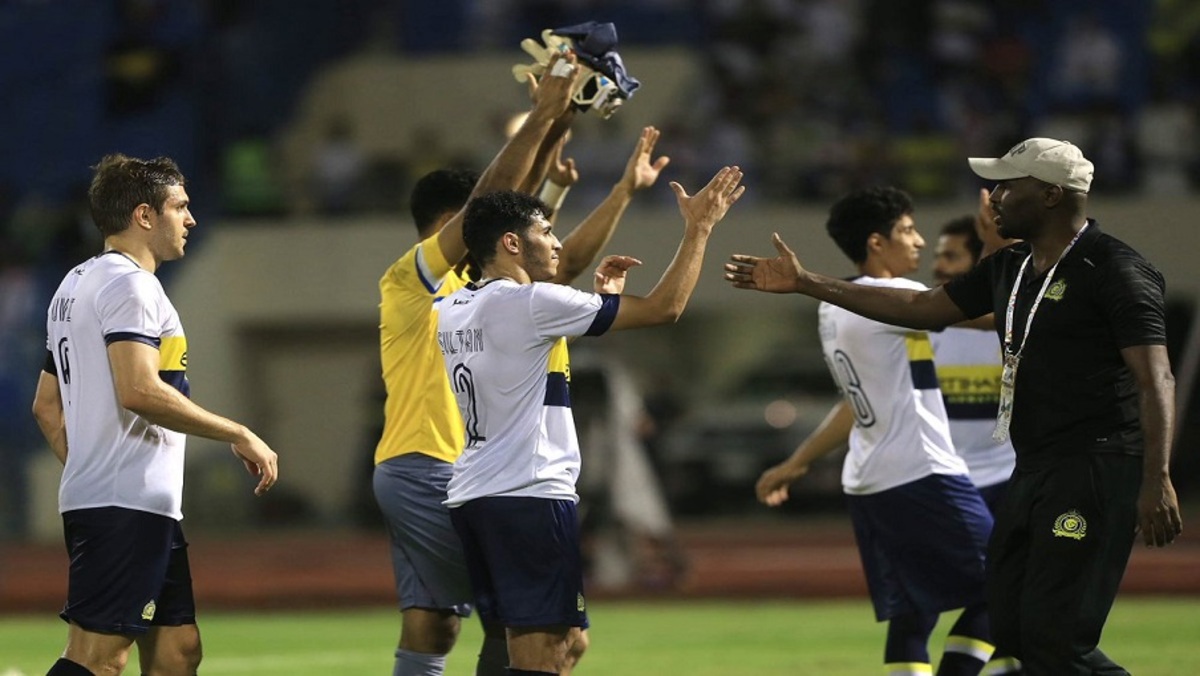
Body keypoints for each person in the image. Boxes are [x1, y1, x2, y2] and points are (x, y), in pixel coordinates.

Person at [726, 138, 1184, 675]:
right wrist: (808, 283)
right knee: (1009, 623)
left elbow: (1156, 378)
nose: (994, 197)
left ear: (1052, 195)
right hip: (1034, 465)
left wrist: (1158, 478)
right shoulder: (1013, 266)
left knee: (1056, 637)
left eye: (1009, 186)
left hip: (1096, 463)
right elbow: (923, 307)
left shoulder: (1114, 269)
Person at [372, 50, 671, 675]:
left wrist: (596, 178)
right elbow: (501, 208)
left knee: (437, 625)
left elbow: (552, 263)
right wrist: (546, 115)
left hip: (456, 468)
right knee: (529, 632)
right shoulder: (417, 280)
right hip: (440, 464)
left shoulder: (483, 293)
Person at [438, 166, 744, 675]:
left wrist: (597, 299)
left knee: (563, 643)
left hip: (477, 494)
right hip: (527, 494)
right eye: (546, 232)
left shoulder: (453, 308)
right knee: (540, 654)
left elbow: (520, 353)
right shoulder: (532, 302)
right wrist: (700, 228)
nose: (557, 244)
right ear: (512, 243)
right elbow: (664, 309)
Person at [31, 154, 279, 676]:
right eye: (180, 207)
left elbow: (46, 406)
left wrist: (89, 469)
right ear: (145, 216)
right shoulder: (132, 286)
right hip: (126, 503)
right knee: (99, 658)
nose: (190, 219)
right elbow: (140, 390)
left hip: (133, 502)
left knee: (178, 651)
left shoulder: (73, 285)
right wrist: (237, 431)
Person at [753, 187, 995, 676]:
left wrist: (796, 461)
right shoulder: (890, 299)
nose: (920, 242)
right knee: (1015, 582)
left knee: (912, 614)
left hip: (870, 482)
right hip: (922, 474)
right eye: (907, 230)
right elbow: (998, 316)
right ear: (876, 243)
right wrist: (996, 244)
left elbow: (853, 402)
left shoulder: (836, 305)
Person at [930, 213, 1021, 676]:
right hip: (949, 481)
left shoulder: (1011, 325)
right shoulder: (926, 324)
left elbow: (1003, 310)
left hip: (1008, 478)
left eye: (950, 256)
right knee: (1001, 590)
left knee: (1006, 588)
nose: (938, 267)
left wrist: (995, 249)